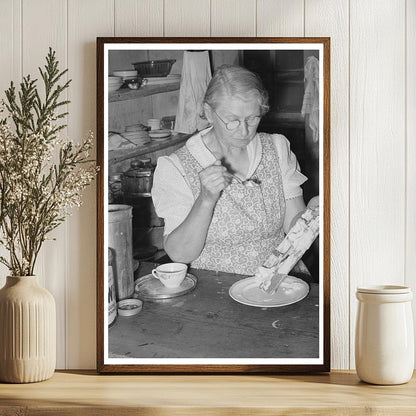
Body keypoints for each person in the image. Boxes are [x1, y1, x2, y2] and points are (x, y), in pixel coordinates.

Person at [152, 64, 318, 276]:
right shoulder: (178, 167)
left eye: (252, 118)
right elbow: (181, 254)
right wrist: (205, 199)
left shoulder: (276, 148)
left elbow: (292, 228)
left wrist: (312, 216)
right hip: (216, 290)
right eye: (232, 120)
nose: (244, 130)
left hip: (279, 280)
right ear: (209, 113)